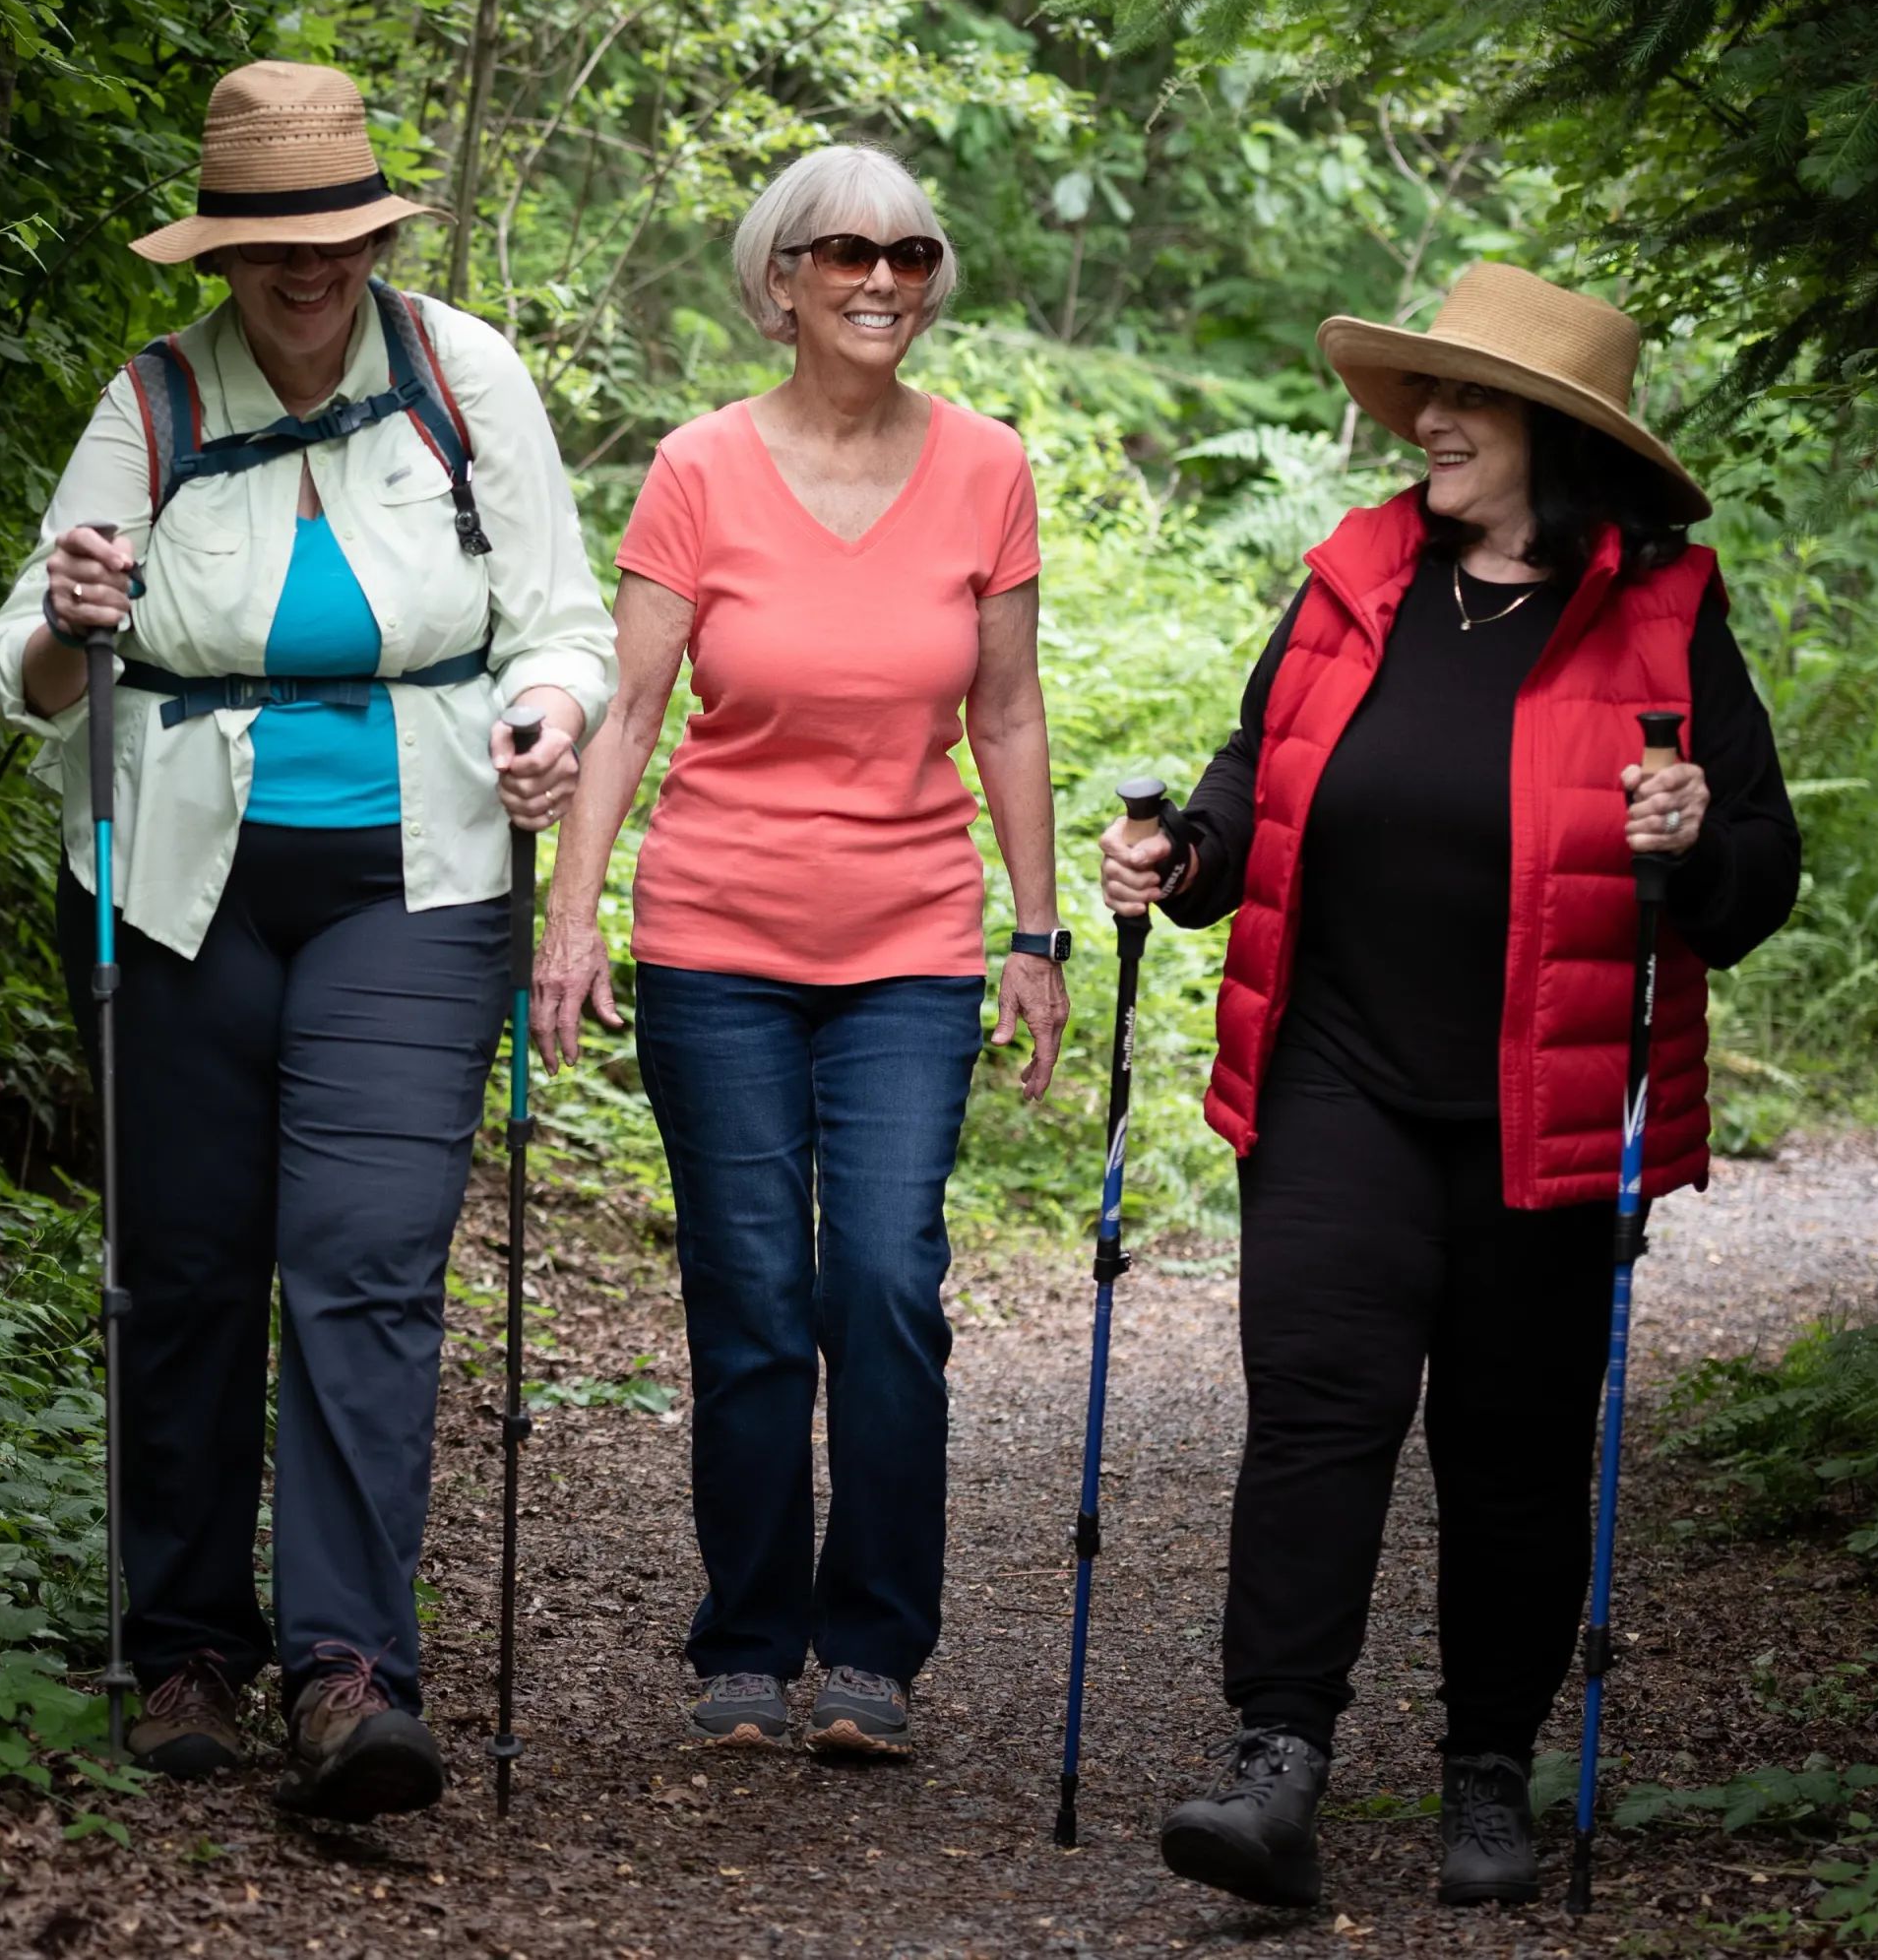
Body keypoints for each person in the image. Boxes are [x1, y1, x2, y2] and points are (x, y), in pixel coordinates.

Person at [1098, 262, 1801, 1911]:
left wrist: (1695, 835)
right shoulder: (1357, 576)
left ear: (1559, 436)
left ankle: (1490, 1754)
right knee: (1318, 1417)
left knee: (1512, 1444)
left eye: (1470, 399)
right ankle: (1277, 1760)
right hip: (1338, 1074)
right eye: (1428, 391)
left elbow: (1759, 877)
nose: (1430, 421)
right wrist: (1181, 855)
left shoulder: (1669, 614)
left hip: (1545, 1104)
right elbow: (1251, 777)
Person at [0, 59, 615, 1821]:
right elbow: (24, 645)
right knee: (183, 1261)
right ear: (223, 254)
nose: (306, 268)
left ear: (375, 231)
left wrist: (550, 715)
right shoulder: (157, 399)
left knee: (361, 1254)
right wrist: (67, 621)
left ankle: (349, 1669)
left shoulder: (463, 379)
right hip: (172, 873)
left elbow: (563, 624)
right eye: (270, 242)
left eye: (333, 233)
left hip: (418, 871)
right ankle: (183, 1633)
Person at [532, 143, 1066, 1766]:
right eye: (847, 255)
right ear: (782, 282)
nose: (883, 280)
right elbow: (626, 709)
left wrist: (1037, 932)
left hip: (911, 941)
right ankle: (751, 1641)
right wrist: (573, 912)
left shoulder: (988, 468)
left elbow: (1010, 714)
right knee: (754, 1292)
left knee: (887, 1281)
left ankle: (876, 1648)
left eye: (910, 254)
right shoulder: (700, 466)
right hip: (717, 937)